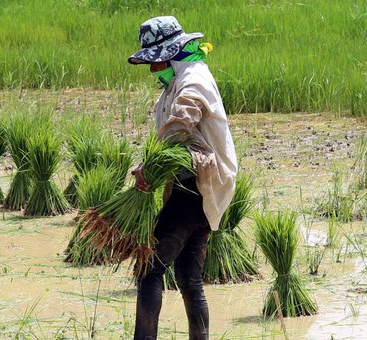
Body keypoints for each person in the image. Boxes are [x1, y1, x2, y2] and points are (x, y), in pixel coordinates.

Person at [127, 16, 238, 340]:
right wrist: (150, 165)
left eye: (155, 61)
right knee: (189, 276)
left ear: (170, 53)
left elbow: (179, 128)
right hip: (196, 184)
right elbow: (171, 138)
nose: (151, 69)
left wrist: (151, 170)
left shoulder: (192, 81)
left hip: (196, 187)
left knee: (148, 270)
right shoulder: (179, 78)